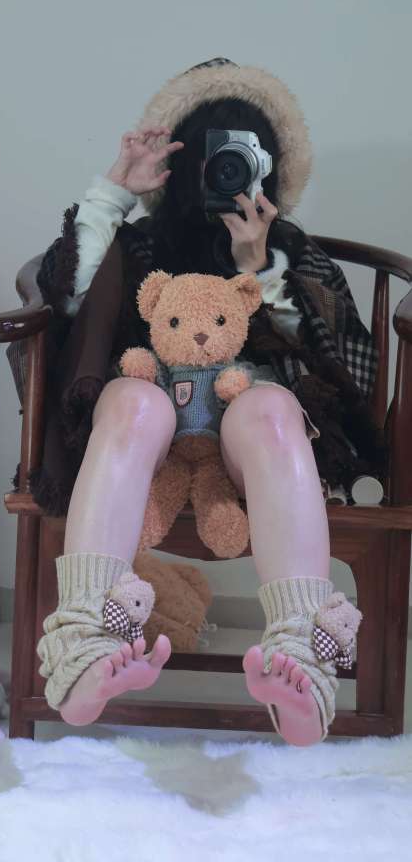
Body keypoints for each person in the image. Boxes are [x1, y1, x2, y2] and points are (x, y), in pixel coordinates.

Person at [24, 58, 383, 747]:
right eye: (213, 155)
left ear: (267, 166)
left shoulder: (285, 248)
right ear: (185, 160)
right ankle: (85, 643)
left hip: (248, 422)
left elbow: (335, 357)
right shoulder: (139, 241)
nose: (225, 171)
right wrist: (113, 192)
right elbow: (67, 302)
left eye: (241, 157)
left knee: (272, 411)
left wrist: (261, 269)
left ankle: (301, 658)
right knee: (135, 402)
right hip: (150, 415)